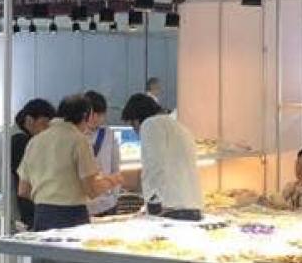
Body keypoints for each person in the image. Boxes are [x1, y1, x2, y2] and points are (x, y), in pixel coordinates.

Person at [17, 93, 124, 231]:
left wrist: (48, 198)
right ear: (84, 117)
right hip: (71, 215)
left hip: (41, 214)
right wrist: (115, 179)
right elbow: (91, 190)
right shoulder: (78, 140)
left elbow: (23, 190)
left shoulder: (35, 141)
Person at [121, 92, 202, 220]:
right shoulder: (181, 128)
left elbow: (154, 167)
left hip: (170, 208)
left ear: (137, 118)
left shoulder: (150, 124)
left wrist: (152, 202)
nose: (136, 131)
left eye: (133, 125)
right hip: (193, 205)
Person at [0, 98, 55, 226]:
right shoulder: (21, 141)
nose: (45, 130)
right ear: (29, 120)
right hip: (11, 213)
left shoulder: (0, 136)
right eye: (43, 124)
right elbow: (23, 184)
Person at [84, 90, 121, 216]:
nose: (96, 118)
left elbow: (115, 167)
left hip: (107, 203)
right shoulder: (75, 135)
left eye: (100, 114)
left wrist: (114, 196)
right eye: (93, 113)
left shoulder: (109, 134)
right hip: (83, 205)